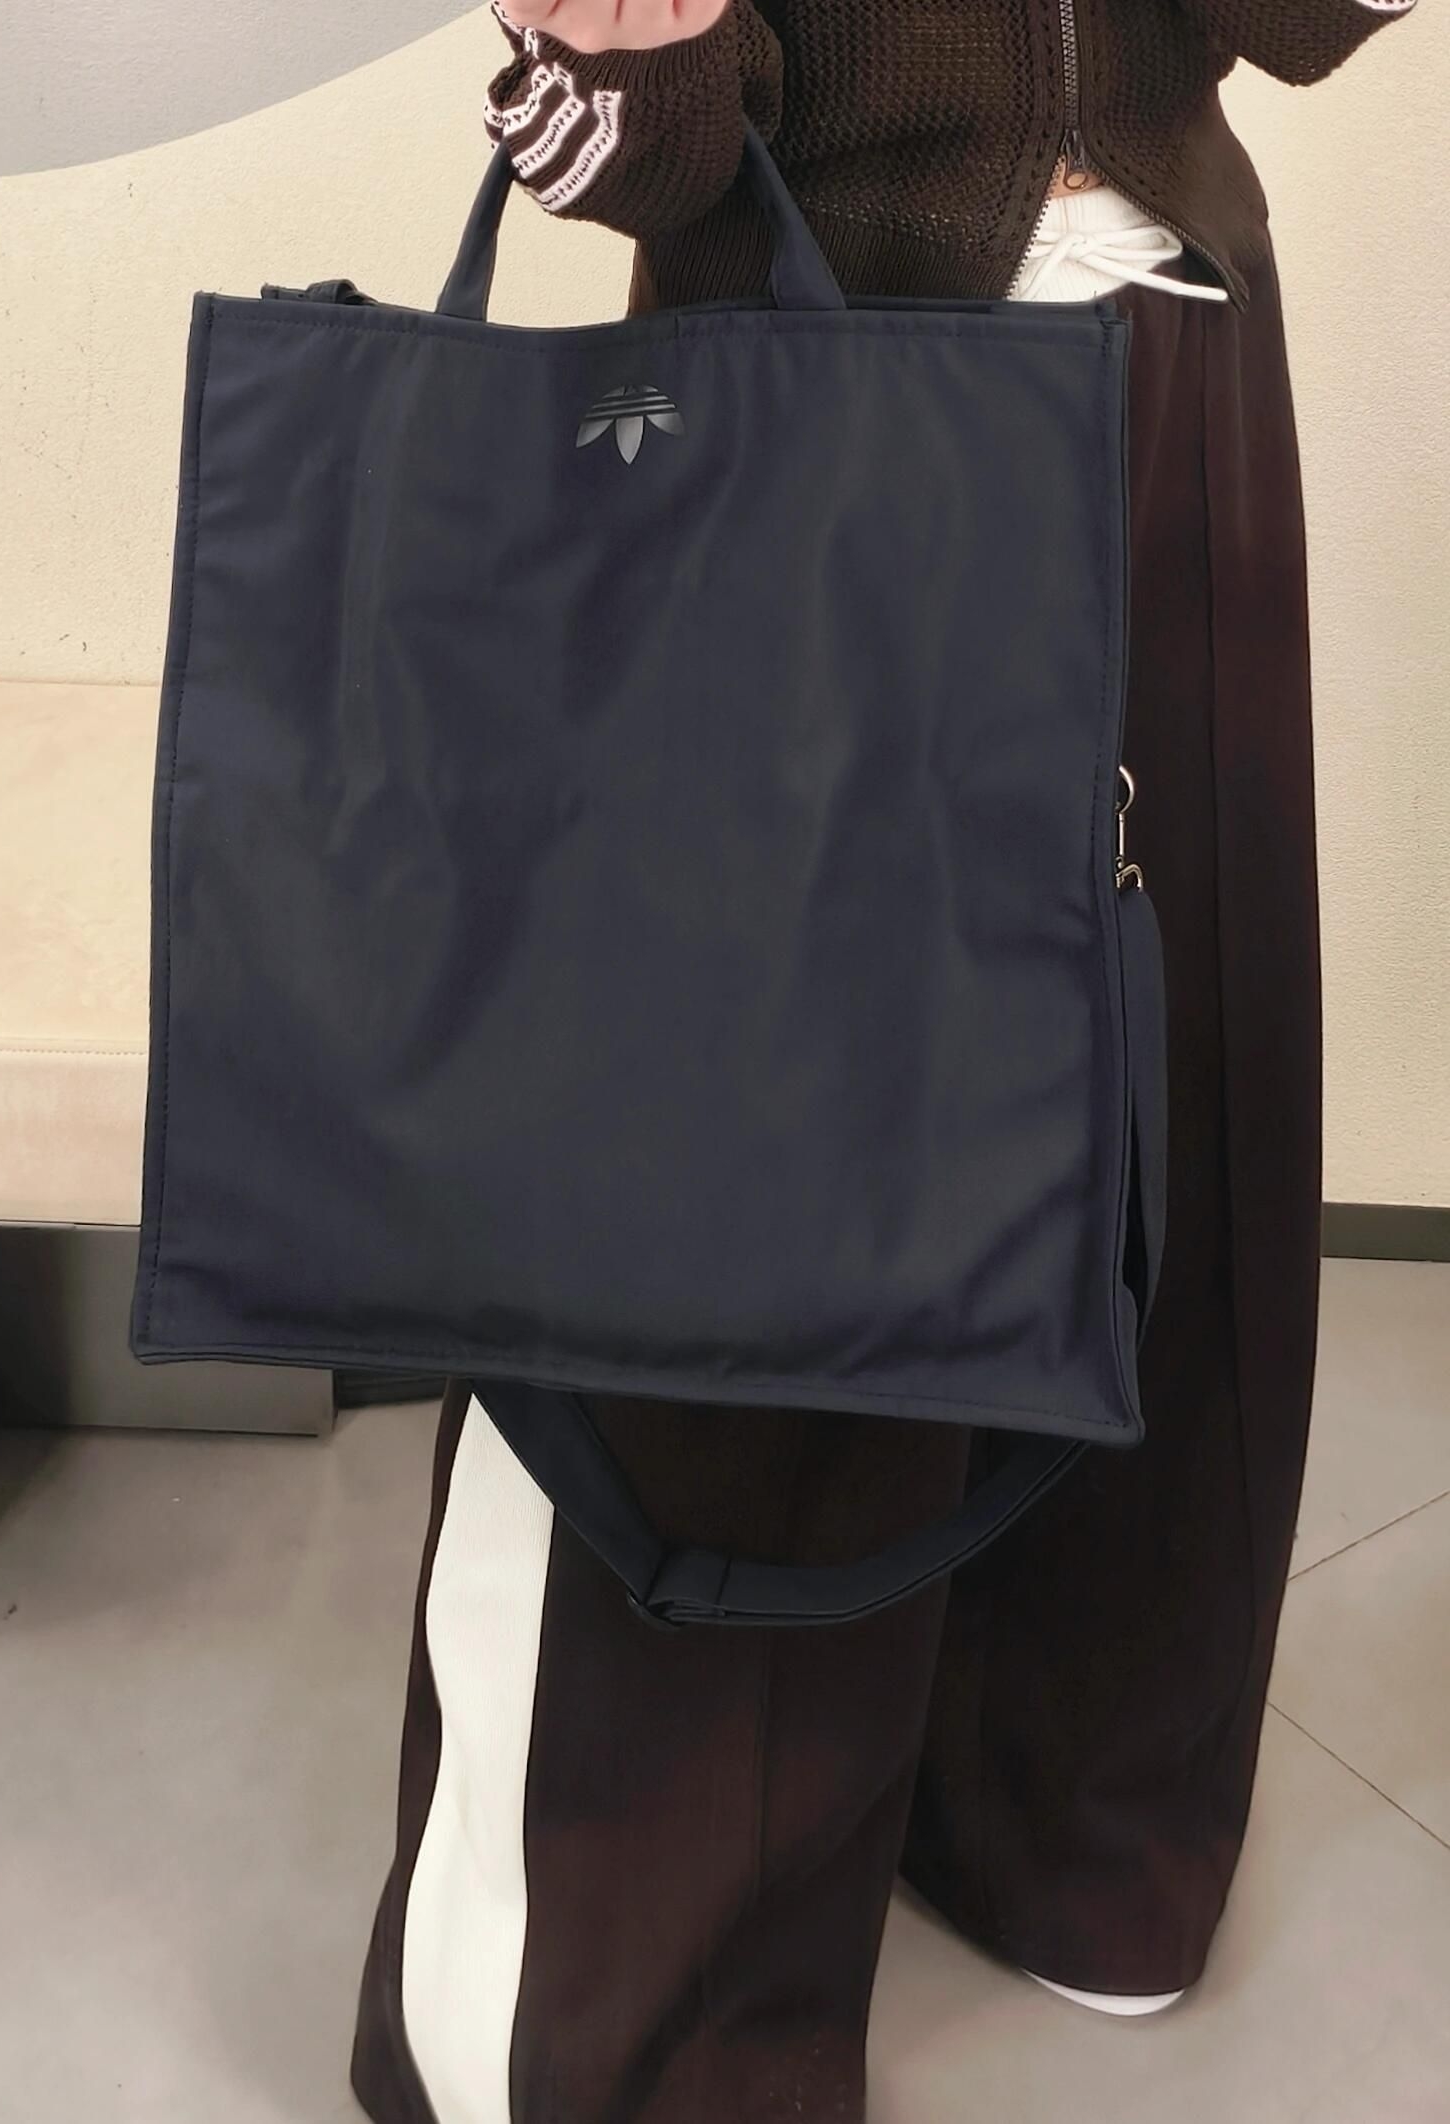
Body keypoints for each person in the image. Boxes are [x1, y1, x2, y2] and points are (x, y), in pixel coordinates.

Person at [350, 2, 1418, 2118]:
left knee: (1161, 1151)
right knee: (742, 1234)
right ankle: (623, 2014)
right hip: (804, 377)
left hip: (1173, 361)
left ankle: (1070, 1825)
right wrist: (625, 61)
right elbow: (630, 155)